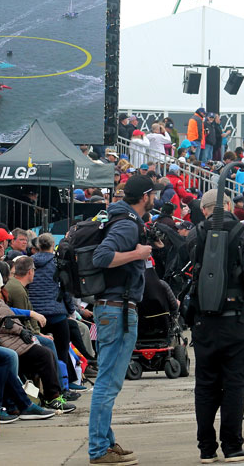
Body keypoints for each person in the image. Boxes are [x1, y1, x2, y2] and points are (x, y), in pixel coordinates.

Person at [187, 188, 244, 463]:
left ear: (205, 209)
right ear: (229, 206)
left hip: (203, 322)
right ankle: (232, 445)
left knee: (205, 385)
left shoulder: (195, 234)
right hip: (235, 321)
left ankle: (206, 449)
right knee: (234, 384)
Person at [87, 175, 155, 465]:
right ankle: (99, 449)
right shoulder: (127, 224)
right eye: (153, 195)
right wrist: (137, 253)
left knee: (109, 379)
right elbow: (101, 257)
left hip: (112, 308)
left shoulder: (119, 218)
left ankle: (106, 441)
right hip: (117, 309)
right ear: (145, 196)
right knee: (108, 381)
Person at [0, 266, 71, 415]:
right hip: (7, 338)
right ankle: (51, 396)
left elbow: (8, 314)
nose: (1, 289)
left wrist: (28, 326)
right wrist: (21, 330)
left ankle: (53, 394)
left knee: (46, 351)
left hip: (12, 337)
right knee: (44, 354)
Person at [27, 233, 78, 386]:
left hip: (36, 314)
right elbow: (66, 290)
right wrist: (70, 309)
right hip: (56, 313)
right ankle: (64, 383)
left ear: (37, 246)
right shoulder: (58, 263)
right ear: (52, 245)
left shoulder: (29, 263)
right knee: (62, 349)